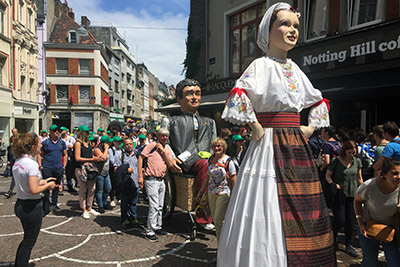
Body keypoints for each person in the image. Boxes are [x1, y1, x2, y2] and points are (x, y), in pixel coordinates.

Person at [217, 3, 335, 266]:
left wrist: (310, 127)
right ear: (267, 30)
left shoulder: (295, 68)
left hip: (295, 144)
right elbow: (239, 94)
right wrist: (255, 125)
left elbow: (318, 100)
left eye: (295, 25)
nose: (292, 30)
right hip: (268, 143)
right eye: (285, 24)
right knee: (266, 200)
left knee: (300, 201)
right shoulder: (260, 65)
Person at [168, 78, 217, 229]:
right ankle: (203, 217)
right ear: (179, 99)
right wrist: (171, 159)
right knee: (205, 165)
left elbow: (215, 142)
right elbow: (164, 144)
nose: (194, 97)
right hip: (186, 158)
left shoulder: (209, 121)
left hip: (206, 157)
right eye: (189, 94)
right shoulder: (172, 121)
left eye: (198, 93)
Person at [12, 132, 57, 266]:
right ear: (32, 147)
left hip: (21, 203)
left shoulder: (18, 161)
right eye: (38, 143)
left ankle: (19, 263)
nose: (41, 145)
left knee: (26, 240)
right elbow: (33, 190)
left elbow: (27, 182)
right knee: (29, 242)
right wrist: (49, 185)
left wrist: (43, 181)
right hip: (31, 207)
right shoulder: (32, 164)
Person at [354, 158, 400, 266]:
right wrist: (360, 223)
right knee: (370, 262)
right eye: (395, 173)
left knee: (395, 263)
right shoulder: (369, 186)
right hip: (369, 227)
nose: (399, 177)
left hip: (390, 229)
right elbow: (357, 201)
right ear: (384, 173)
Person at [325, 140, 363, 256]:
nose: (352, 155)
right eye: (350, 152)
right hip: (340, 193)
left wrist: (363, 191)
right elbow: (328, 175)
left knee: (351, 220)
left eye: (354, 152)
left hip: (352, 193)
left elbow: (359, 178)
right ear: (345, 151)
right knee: (340, 219)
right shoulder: (336, 161)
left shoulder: (357, 161)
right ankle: (333, 236)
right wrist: (333, 184)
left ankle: (349, 244)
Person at [196, 138, 236, 243]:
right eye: (214, 146)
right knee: (215, 220)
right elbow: (208, 177)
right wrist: (201, 192)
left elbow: (233, 178)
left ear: (224, 147)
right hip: (211, 193)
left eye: (219, 146)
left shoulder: (228, 161)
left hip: (224, 193)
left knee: (218, 220)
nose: (217, 148)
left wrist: (235, 194)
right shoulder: (210, 159)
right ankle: (222, 245)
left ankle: (222, 246)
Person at [137, 128, 174, 242]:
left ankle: (158, 226)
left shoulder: (167, 148)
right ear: (158, 136)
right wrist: (140, 176)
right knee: (153, 206)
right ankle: (150, 231)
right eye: (162, 136)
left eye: (166, 136)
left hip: (162, 180)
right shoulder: (152, 145)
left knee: (160, 205)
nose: (164, 138)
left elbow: (172, 161)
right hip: (151, 179)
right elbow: (140, 158)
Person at [37, 124, 67, 212]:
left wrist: (64, 165)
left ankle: (54, 204)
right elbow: (39, 153)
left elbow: (65, 154)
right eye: (55, 130)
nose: (57, 132)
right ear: (50, 132)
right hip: (47, 168)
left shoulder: (61, 143)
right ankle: (46, 204)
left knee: (56, 186)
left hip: (58, 168)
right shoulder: (45, 143)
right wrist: (40, 165)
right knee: (46, 187)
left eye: (58, 130)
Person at [74, 125, 101, 219]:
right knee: (82, 189)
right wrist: (92, 159)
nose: (88, 134)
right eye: (87, 132)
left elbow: (91, 153)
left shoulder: (88, 143)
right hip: (81, 168)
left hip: (90, 168)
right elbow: (77, 158)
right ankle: (84, 209)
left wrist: (96, 157)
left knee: (92, 188)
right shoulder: (78, 143)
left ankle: (90, 207)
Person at [114, 138, 140, 228]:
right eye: (127, 144)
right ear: (124, 146)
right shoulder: (120, 156)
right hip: (125, 183)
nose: (129, 146)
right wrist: (125, 170)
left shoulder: (137, 155)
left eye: (130, 144)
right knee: (124, 202)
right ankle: (124, 218)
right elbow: (116, 169)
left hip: (135, 182)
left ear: (133, 145)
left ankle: (133, 218)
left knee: (133, 202)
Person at [94, 135, 111, 213]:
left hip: (106, 172)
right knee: (99, 190)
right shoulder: (97, 149)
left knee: (108, 188)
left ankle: (104, 202)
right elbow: (103, 158)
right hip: (99, 172)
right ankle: (100, 205)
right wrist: (106, 148)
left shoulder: (107, 149)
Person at [61, 126, 77, 192]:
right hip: (61, 155)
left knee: (69, 172)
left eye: (62, 130)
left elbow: (76, 147)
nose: (61, 132)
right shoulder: (59, 139)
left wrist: (72, 146)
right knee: (61, 172)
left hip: (69, 156)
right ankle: (61, 186)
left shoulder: (71, 139)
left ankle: (70, 185)